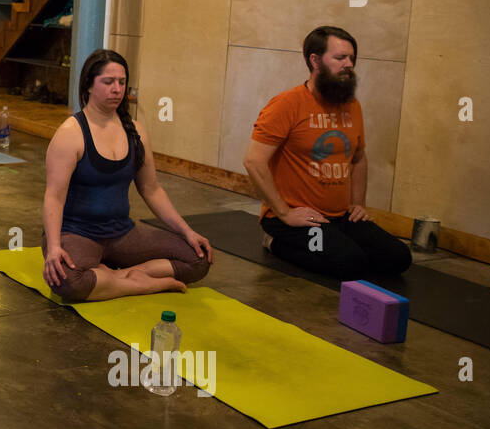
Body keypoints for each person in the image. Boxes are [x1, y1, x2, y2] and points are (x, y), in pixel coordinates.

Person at [42, 49, 213, 302]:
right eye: (108, 82)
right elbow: (54, 197)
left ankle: (119, 276)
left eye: (122, 82)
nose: (117, 89)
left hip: (122, 234)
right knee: (67, 281)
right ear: (89, 85)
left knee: (199, 258)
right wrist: (55, 247)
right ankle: (140, 284)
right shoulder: (70, 133)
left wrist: (188, 232)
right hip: (77, 233)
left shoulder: (136, 132)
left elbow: (151, 189)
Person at [243, 25, 411, 279]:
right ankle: (274, 240)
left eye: (352, 58)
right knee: (350, 263)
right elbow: (254, 161)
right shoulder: (286, 104)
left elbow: (358, 158)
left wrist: (357, 203)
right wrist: (285, 212)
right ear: (315, 61)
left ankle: (338, 241)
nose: (349, 64)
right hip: (298, 219)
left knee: (398, 258)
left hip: (340, 217)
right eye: (340, 58)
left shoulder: (352, 106)